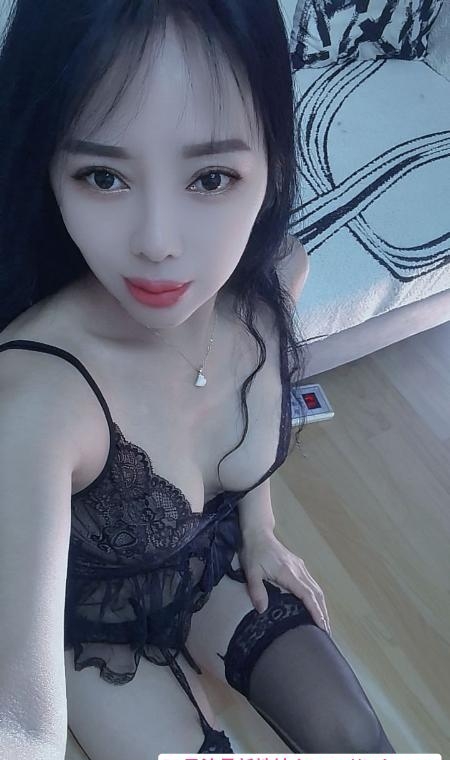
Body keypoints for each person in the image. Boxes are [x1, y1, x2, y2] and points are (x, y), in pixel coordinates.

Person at [0, 0, 396, 756]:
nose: (157, 243)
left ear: (272, 161)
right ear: (47, 168)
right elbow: (18, 720)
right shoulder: (34, 396)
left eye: (212, 177)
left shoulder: (276, 282)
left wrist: (261, 531)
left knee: (354, 738)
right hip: (90, 619)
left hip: (207, 563)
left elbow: (246, 418)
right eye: (103, 176)